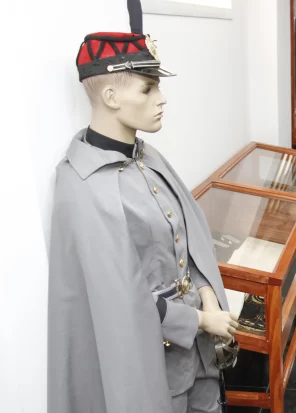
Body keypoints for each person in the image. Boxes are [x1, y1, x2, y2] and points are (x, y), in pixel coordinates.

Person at [48, 32, 239, 413]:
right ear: (111, 97)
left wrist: (205, 295)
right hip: (151, 364)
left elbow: (187, 238)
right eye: (148, 89)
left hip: (199, 355)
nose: (161, 98)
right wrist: (201, 318)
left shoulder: (147, 157)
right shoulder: (83, 186)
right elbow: (119, 298)